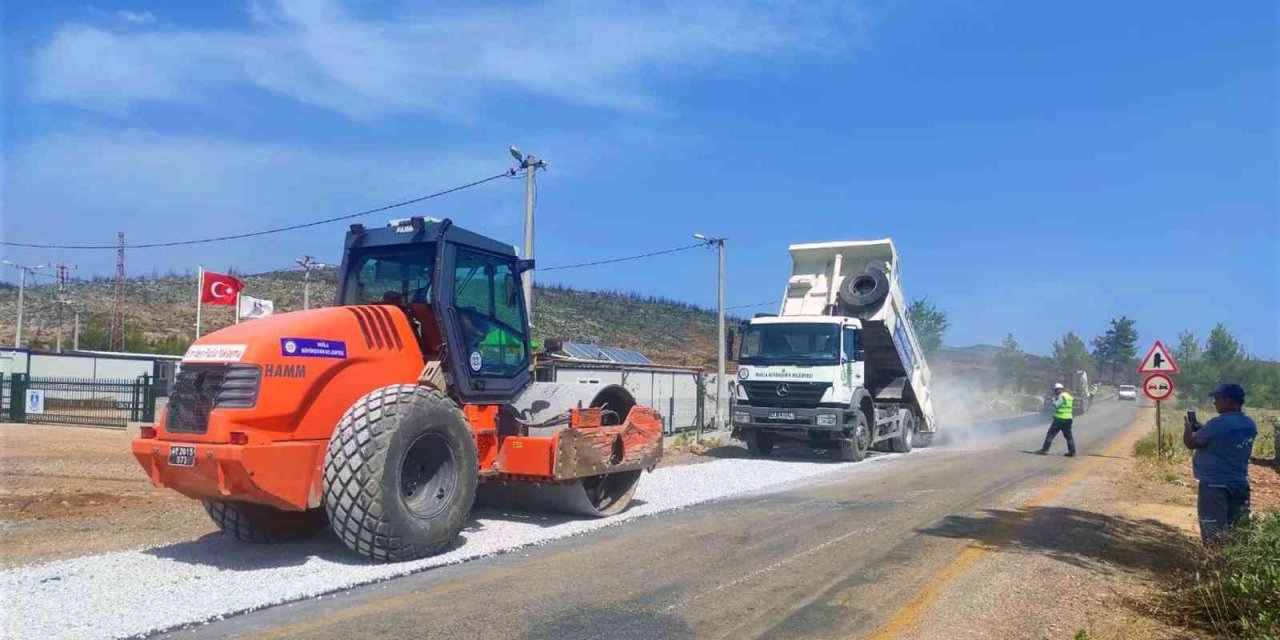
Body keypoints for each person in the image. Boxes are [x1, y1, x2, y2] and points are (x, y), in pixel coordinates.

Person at [1184, 383, 1257, 546]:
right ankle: (1235, 567)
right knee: (1238, 530)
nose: (1214, 403)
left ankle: (1215, 566)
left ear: (1229, 400)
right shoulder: (1250, 424)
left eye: (1217, 399)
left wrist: (1188, 429)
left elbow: (1191, 443)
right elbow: (1227, 440)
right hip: (1240, 484)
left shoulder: (1217, 424)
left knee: (1213, 532)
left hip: (1214, 486)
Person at [1037, 382, 1076, 457]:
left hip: (1059, 419)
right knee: (1069, 436)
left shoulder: (1061, 396)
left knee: (1050, 434)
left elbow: (1056, 405)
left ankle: (1044, 450)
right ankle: (1072, 452)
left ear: (1059, 390)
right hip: (1068, 419)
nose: (1055, 392)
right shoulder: (1068, 396)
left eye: (1055, 390)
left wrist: (1053, 401)